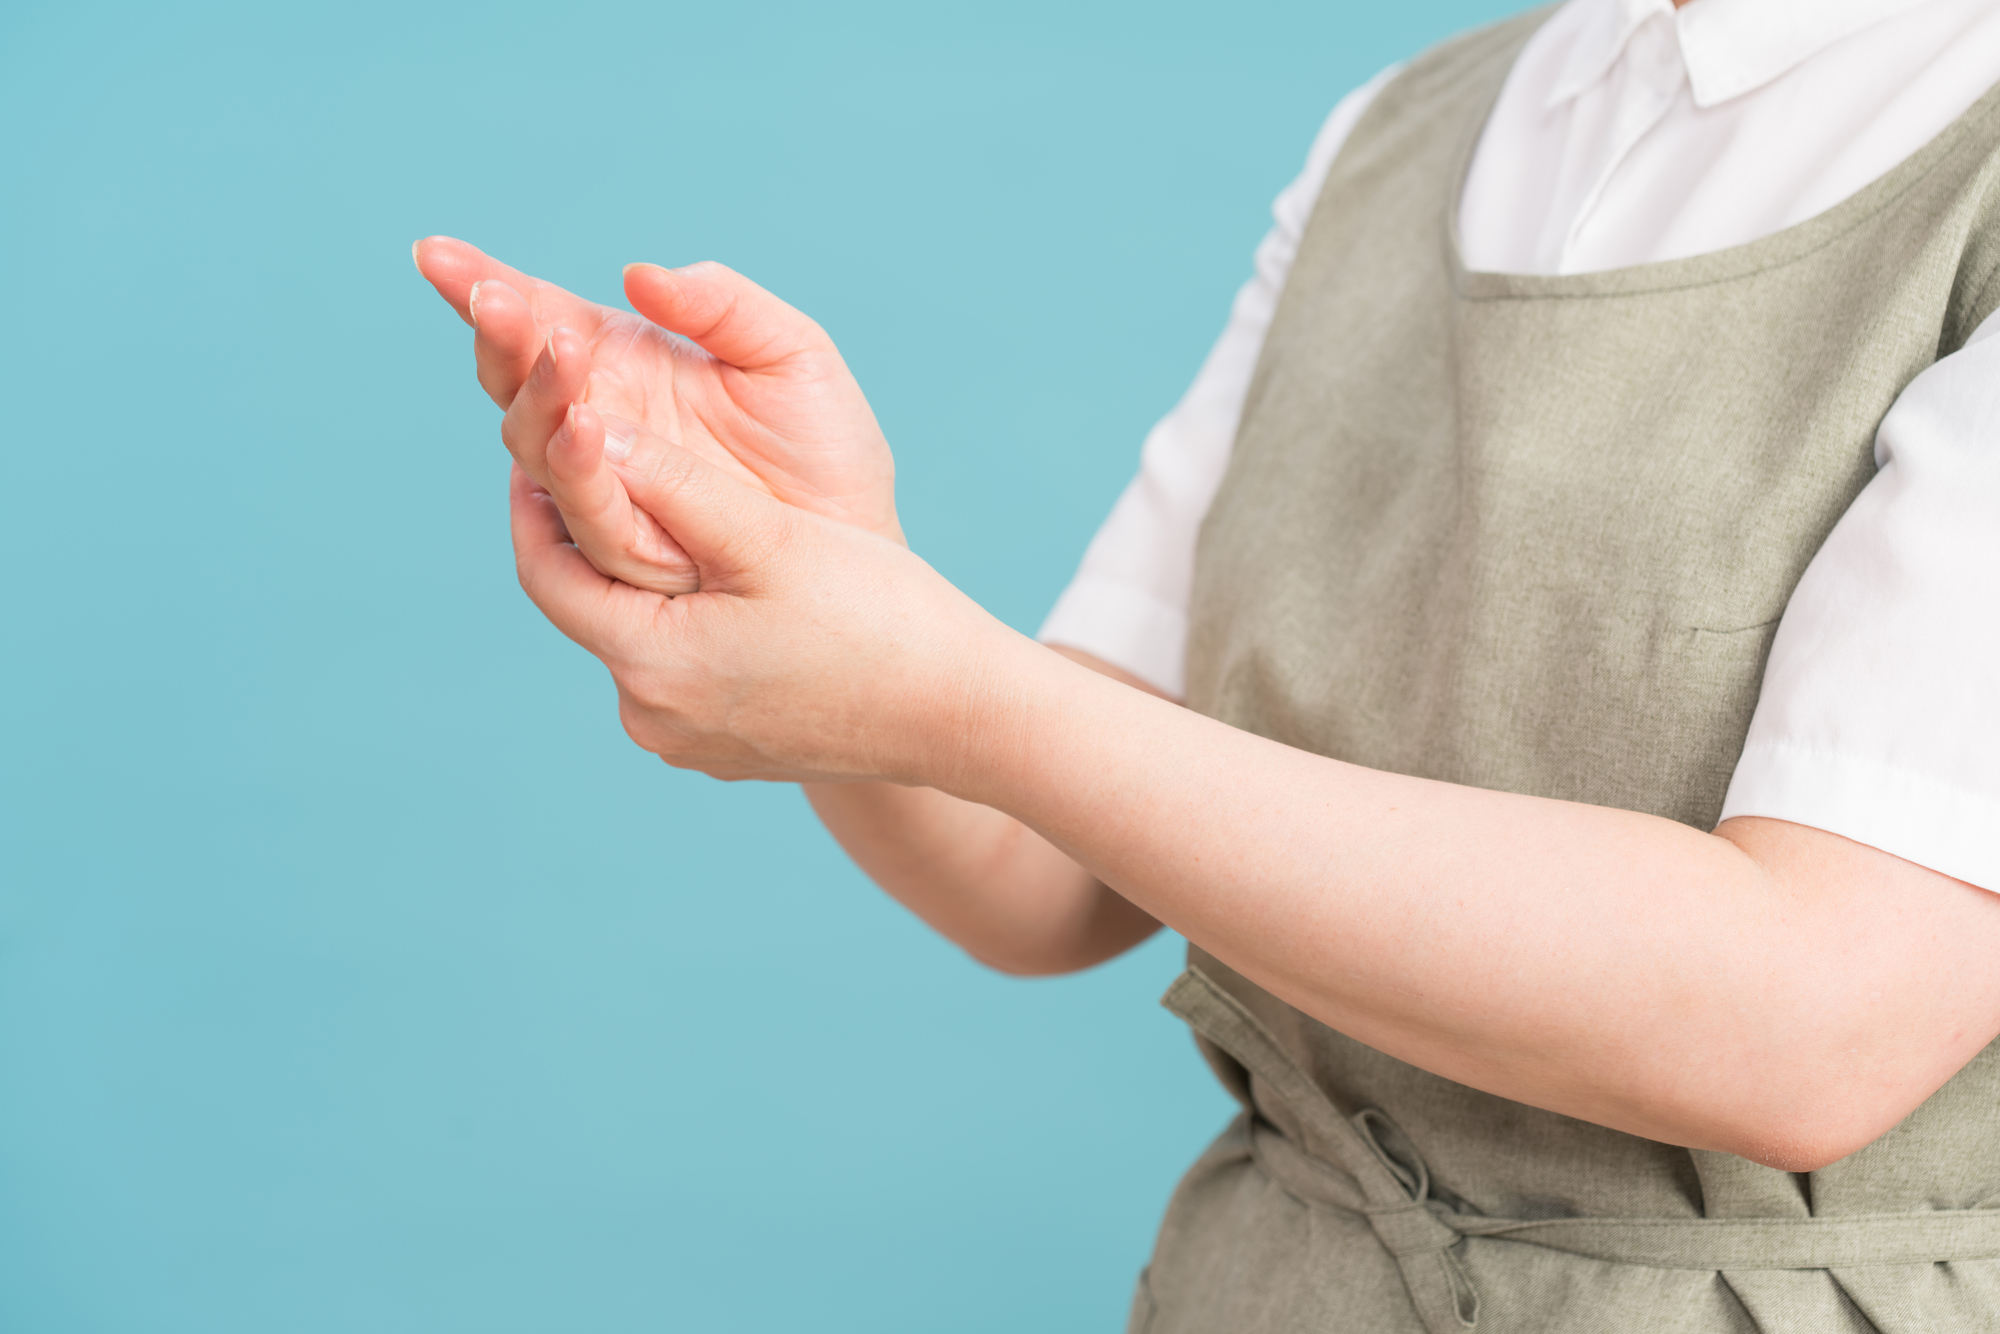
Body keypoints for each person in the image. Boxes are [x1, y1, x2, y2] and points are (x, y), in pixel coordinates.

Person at [413, 0, 2000, 1326]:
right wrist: (797, 565)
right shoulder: (1407, 132)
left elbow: (1816, 1015)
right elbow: (1040, 875)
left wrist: (946, 688)